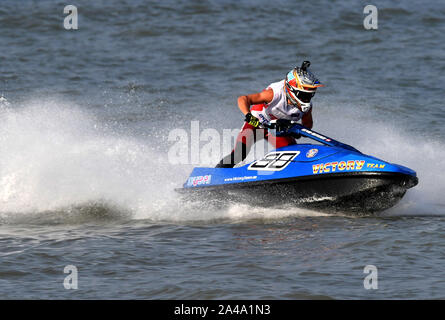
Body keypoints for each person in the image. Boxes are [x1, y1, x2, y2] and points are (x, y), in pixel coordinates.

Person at [216, 60, 323, 168]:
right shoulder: (273, 94)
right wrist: (249, 116)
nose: (307, 99)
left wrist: (296, 132)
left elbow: (307, 125)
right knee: (239, 155)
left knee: (293, 157)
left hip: (277, 131)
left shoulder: (306, 107)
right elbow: (243, 99)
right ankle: (216, 174)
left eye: (310, 95)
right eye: (304, 95)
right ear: (292, 90)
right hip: (256, 124)